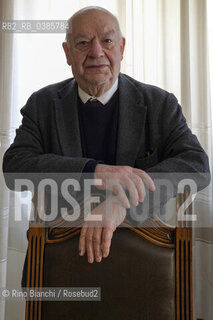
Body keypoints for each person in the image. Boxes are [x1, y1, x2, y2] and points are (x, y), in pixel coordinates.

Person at [3, 6, 210, 266]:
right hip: (61, 264)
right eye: (83, 43)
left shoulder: (159, 104)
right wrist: (94, 172)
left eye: (107, 41)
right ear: (67, 53)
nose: (96, 52)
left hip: (144, 267)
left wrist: (121, 204)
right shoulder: (43, 104)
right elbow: (14, 169)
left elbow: (197, 167)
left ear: (121, 48)